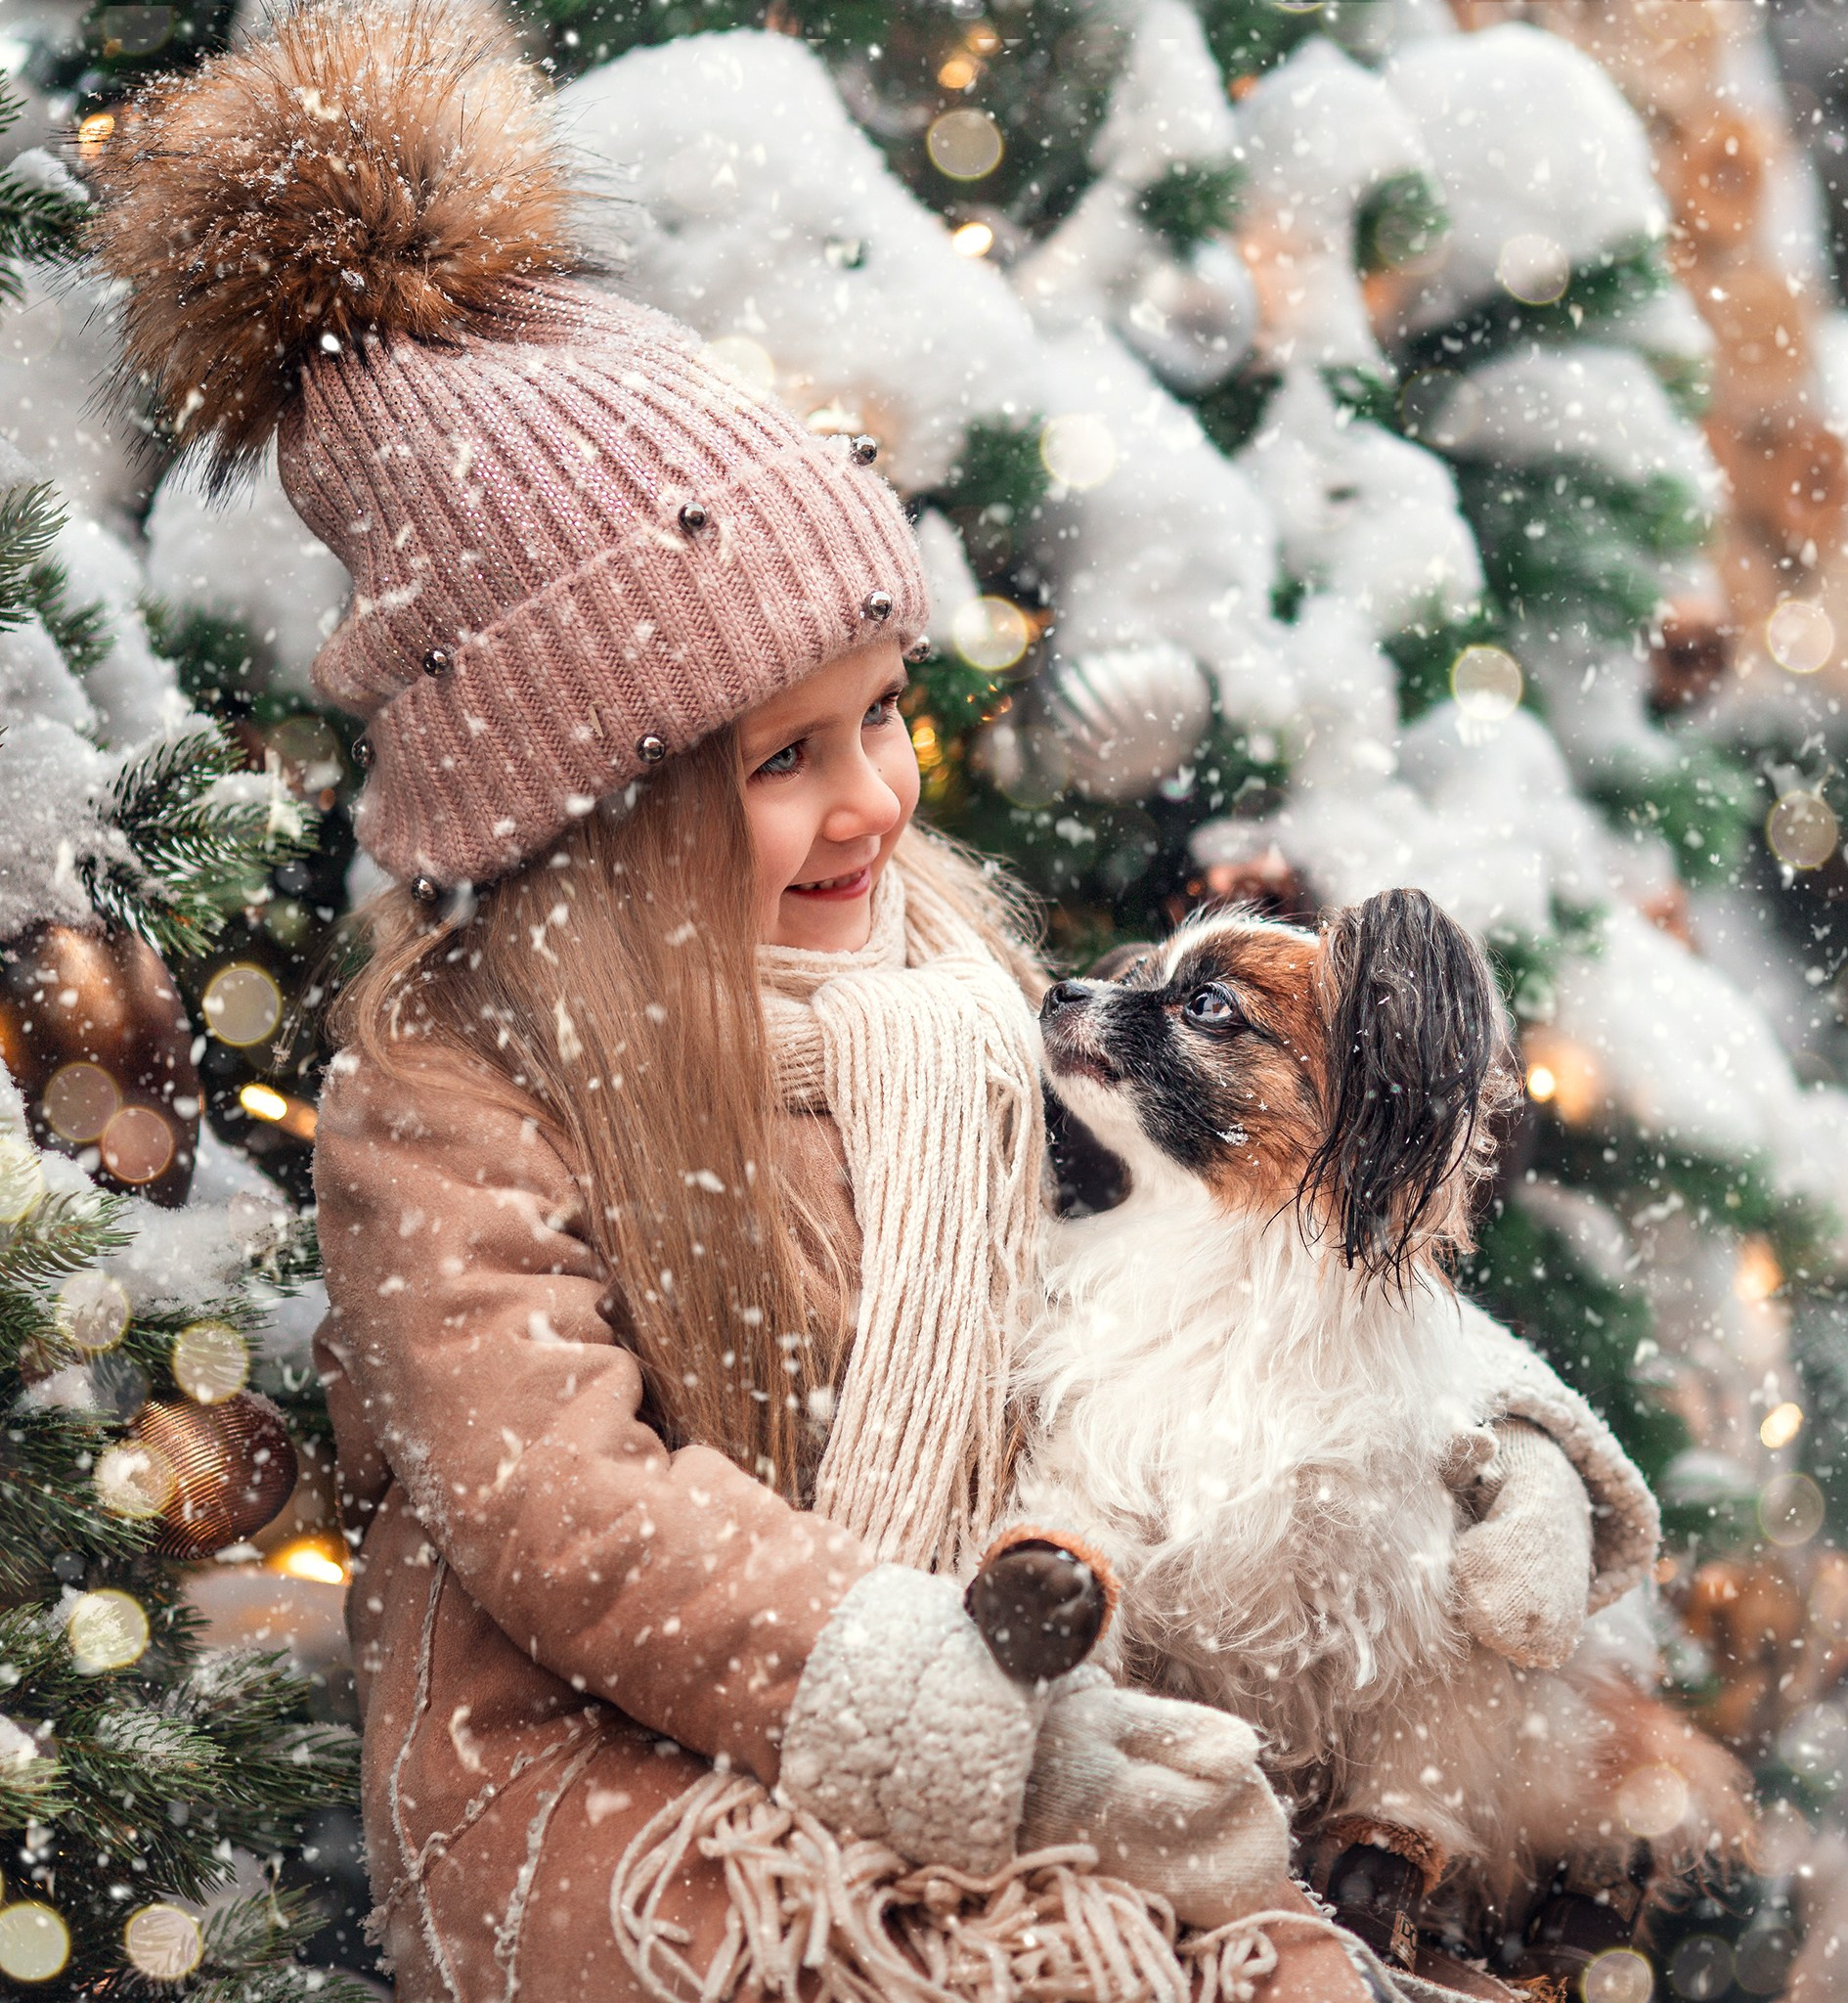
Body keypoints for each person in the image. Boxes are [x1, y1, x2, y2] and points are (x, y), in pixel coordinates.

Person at [89, 6, 1381, 1997]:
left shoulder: (955, 985)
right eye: (782, 761)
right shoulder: (456, 1087)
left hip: (959, 1676)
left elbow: (1087, 1346)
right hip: (608, 1783)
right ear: (594, 817)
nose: (873, 795)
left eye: (882, 712)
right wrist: (922, 1689)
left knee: (1263, 1949)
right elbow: (563, 1504)